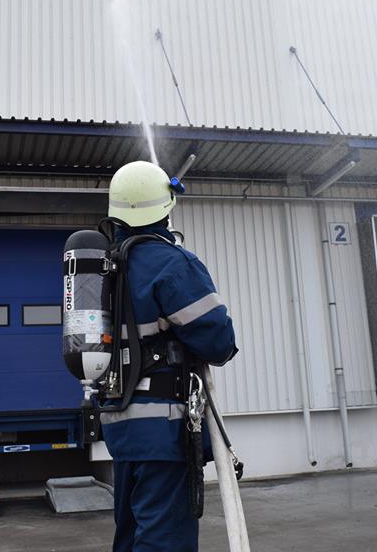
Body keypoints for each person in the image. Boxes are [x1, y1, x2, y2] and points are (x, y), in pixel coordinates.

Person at [101, 160, 238, 552]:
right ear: (166, 206)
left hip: (120, 427)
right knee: (165, 541)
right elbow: (218, 342)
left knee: (130, 536)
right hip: (164, 430)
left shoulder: (108, 267)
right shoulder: (172, 264)